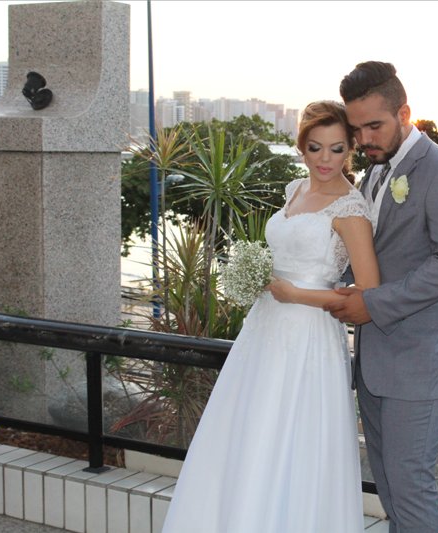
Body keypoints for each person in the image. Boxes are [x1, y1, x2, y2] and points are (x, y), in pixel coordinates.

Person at [161, 101, 378, 533]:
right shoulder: (295, 189)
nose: (325, 159)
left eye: (336, 149)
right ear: (301, 146)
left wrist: (296, 294)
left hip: (308, 337)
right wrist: (258, 276)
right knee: (249, 430)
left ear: (350, 149)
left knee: (292, 438)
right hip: (264, 330)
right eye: (315, 148)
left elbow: (370, 296)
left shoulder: (351, 210)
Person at [325, 61, 438, 533]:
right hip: (375, 360)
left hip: (423, 360)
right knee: (388, 486)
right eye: (356, 129)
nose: (364, 139)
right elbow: (372, 255)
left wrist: (372, 304)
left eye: (374, 126)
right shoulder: (374, 174)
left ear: (404, 113)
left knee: (409, 485)